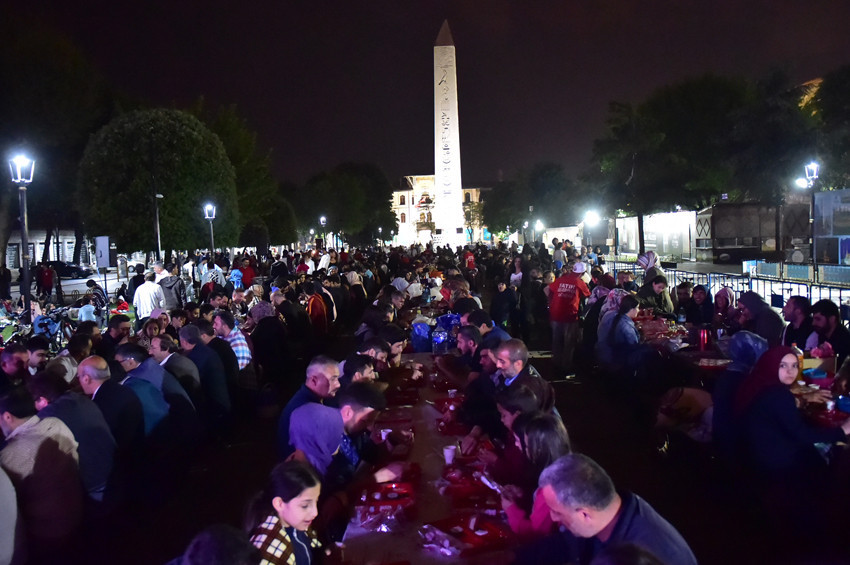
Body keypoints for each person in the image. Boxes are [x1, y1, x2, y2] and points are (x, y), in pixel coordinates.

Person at [516, 454, 697, 565]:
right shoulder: (604, 515)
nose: (553, 518)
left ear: (585, 513)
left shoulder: (649, 553)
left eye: (557, 512)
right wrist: (511, 557)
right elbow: (565, 544)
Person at [735, 346, 850, 478]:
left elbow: (777, 410)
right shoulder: (778, 394)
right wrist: (842, 430)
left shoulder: (759, 383)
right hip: (774, 462)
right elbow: (802, 435)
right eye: (783, 366)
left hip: (754, 454)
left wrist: (803, 400)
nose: (790, 371)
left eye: (795, 365)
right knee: (833, 451)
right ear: (771, 365)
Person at [0, 386, 83, 558]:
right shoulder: (56, 423)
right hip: (77, 511)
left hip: (47, 530)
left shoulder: (11, 455)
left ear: (7, 416)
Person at [26, 368, 117, 502]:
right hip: (114, 470)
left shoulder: (49, 416)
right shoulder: (82, 400)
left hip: (93, 484)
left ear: (42, 400)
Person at [502, 412, 571, 539]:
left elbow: (536, 532)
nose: (518, 445)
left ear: (538, 449)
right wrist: (523, 494)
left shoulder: (551, 485)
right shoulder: (567, 465)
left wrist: (510, 509)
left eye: (525, 444)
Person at [246, 461, 323, 565]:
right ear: (279, 504)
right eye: (305, 506)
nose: (315, 512)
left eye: (316, 501)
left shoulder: (296, 523)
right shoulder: (267, 550)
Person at [277, 356, 341, 459]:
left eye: (337, 378)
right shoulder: (304, 409)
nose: (338, 384)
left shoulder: (315, 400)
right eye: (333, 379)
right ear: (314, 380)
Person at [546, 262, 591, 376]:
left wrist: (551, 304)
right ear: (582, 273)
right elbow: (589, 295)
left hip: (555, 314)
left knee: (556, 341)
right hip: (570, 316)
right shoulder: (579, 282)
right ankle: (565, 367)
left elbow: (547, 289)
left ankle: (556, 364)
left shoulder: (561, 279)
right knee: (569, 343)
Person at [811, 299, 850, 366]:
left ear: (832, 319)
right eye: (813, 319)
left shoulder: (845, 340)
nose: (813, 323)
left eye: (818, 319)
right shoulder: (823, 335)